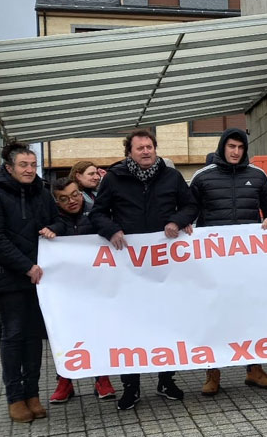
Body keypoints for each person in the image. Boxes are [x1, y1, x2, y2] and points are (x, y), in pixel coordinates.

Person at [90, 130, 197, 410]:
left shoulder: (171, 176)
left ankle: (166, 380)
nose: (146, 151)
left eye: (150, 147)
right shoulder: (114, 178)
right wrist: (111, 230)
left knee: (167, 322)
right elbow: (98, 213)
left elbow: (190, 205)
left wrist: (177, 220)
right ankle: (131, 386)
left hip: (165, 264)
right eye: (140, 148)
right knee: (130, 327)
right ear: (130, 152)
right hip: (129, 267)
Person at [189, 128, 267, 395]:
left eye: (240, 147)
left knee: (250, 313)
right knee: (214, 315)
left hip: (247, 260)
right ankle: (212, 372)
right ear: (222, 146)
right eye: (231, 146)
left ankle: (255, 369)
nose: (235, 151)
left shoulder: (257, 175)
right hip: (213, 261)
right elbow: (188, 209)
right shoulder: (202, 177)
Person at [0, 142, 58, 423]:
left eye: (33, 165)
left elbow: (57, 219)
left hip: (38, 276)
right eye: (24, 165)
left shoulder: (42, 193)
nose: (29, 170)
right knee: (13, 335)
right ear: (9, 168)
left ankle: (33, 393)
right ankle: (15, 397)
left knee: (34, 336)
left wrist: (54, 228)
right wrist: (25, 266)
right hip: (6, 277)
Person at [40, 178, 117, 403]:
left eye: (74, 195)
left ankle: (102, 378)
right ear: (56, 200)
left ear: (80, 191)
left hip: (95, 287)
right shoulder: (50, 219)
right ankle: (65, 380)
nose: (71, 201)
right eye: (63, 199)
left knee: (98, 331)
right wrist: (50, 231)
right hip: (63, 290)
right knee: (63, 334)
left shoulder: (96, 214)